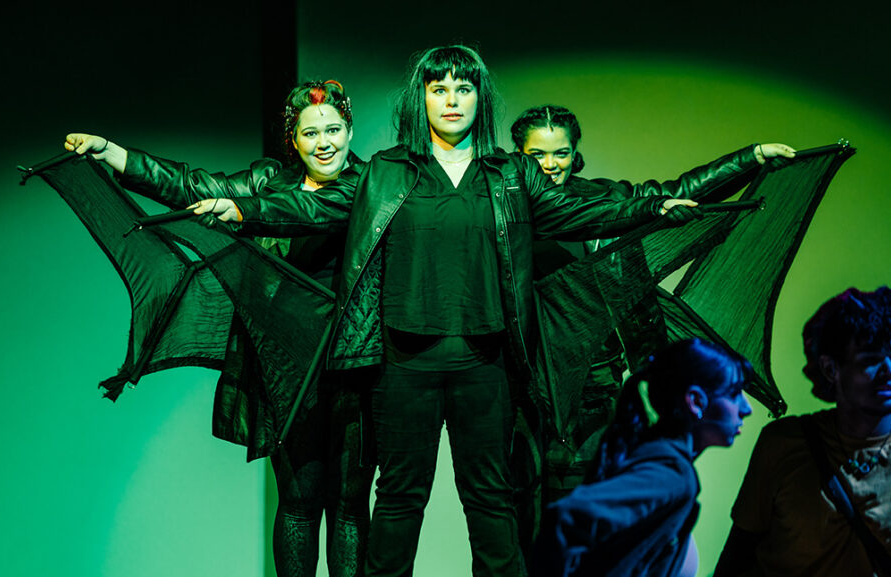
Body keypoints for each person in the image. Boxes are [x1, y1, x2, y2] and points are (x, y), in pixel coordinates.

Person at [190, 45, 762, 577]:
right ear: (422, 100)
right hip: (403, 365)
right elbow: (301, 207)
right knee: (397, 504)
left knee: (490, 504)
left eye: (463, 88)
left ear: (479, 99)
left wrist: (677, 198)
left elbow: (596, 211)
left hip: (485, 364)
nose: (452, 99)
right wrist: (236, 208)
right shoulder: (386, 172)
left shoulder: (510, 174)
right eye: (439, 88)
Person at [65, 80, 376, 577]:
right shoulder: (266, 182)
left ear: (350, 130)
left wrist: (243, 212)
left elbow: (309, 214)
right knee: (298, 500)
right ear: (292, 141)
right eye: (310, 132)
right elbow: (190, 184)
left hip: (354, 361)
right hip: (287, 366)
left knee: (349, 502)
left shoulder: (370, 185)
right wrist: (112, 153)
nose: (325, 143)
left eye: (334, 130)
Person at [507, 104, 795, 551]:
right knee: (523, 514)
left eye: (560, 153)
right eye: (538, 154)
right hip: (525, 388)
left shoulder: (603, 200)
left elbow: (677, 192)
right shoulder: (505, 213)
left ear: (575, 153)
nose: (550, 165)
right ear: (519, 157)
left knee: (590, 518)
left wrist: (751, 158)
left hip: (596, 386)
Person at [713, 286, 891, 576]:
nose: (890, 371)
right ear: (830, 368)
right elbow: (737, 555)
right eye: (871, 359)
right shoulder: (782, 442)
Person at [533, 337, 755, 576]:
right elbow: (567, 519)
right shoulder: (672, 473)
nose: (747, 408)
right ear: (696, 401)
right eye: (734, 394)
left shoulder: (658, 456)